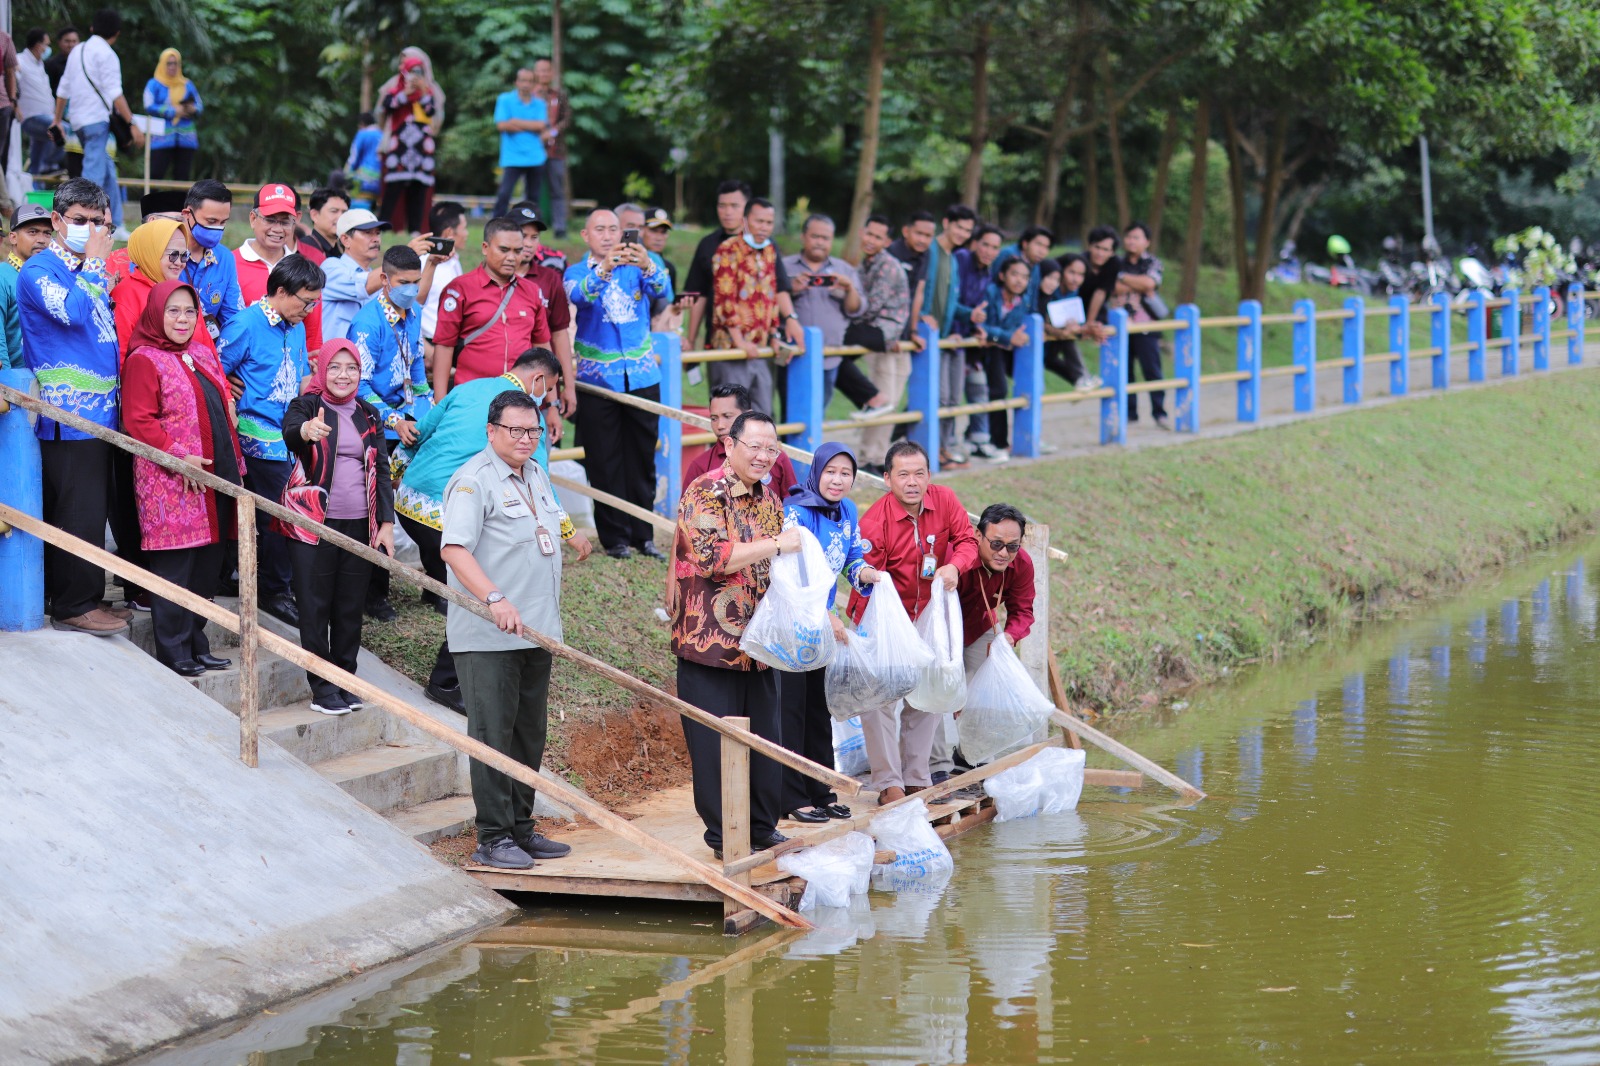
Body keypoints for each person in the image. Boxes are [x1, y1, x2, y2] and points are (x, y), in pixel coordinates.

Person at [395, 348, 586, 712]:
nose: (550, 398)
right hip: (448, 511)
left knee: (462, 583)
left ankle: (437, 597)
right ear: (539, 381)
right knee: (483, 590)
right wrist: (568, 531)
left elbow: (422, 430)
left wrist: (393, 475)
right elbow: (540, 481)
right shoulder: (527, 420)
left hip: (409, 501)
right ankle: (447, 683)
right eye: (552, 389)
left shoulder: (469, 387)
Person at [441, 389, 579, 870]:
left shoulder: (536, 472)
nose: (526, 438)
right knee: (492, 734)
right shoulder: (472, 482)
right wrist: (494, 599)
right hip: (488, 636)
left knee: (528, 734)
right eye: (516, 430)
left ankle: (521, 826)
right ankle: (493, 835)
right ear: (491, 431)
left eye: (533, 430)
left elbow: (545, 529)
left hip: (537, 631)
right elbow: (455, 550)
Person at [671, 411, 799, 859]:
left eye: (772, 449)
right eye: (755, 447)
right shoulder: (706, 491)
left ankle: (763, 828)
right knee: (713, 746)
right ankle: (724, 837)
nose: (764, 456)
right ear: (729, 445)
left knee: (765, 740)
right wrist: (778, 544)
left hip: (761, 644)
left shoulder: (770, 499)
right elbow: (712, 558)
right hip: (710, 643)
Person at [17, 178, 126, 635]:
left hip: (105, 415)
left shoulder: (90, 269)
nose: (90, 229)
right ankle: (71, 605)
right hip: (68, 416)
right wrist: (98, 265)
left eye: (98, 221)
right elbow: (73, 314)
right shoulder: (40, 270)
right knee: (76, 513)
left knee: (93, 512)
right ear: (58, 221)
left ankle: (88, 597)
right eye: (80, 221)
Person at [120, 281, 243, 675]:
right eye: (173, 310)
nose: (182, 319)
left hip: (213, 477)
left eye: (189, 311)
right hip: (171, 481)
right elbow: (138, 420)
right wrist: (178, 457)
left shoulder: (202, 352)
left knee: (208, 567)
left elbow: (222, 404)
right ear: (156, 313)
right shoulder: (144, 359)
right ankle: (174, 652)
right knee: (176, 568)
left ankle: (197, 641)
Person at [846, 439, 978, 802]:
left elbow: (968, 540)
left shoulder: (946, 500)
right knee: (880, 700)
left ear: (929, 476)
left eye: (919, 473)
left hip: (928, 616)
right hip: (884, 617)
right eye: (903, 474)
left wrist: (955, 565)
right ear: (887, 478)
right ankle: (888, 782)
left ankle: (917, 777)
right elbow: (866, 576)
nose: (912, 482)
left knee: (927, 692)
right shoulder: (876, 520)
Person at [279, 340, 395, 715]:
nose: (343, 375)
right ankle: (322, 686)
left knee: (348, 607)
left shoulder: (369, 413)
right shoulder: (308, 406)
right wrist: (307, 431)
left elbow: (382, 470)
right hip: (313, 522)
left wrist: (386, 524)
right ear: (322, 370)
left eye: (351, 368)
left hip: (360, 524)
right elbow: (291, 432)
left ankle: (345, 679)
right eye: (335, 367)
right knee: (314, 605)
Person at [218, 255, 325, 625]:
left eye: (314, 303)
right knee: (280, 512)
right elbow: (216, 370)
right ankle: (273, 590)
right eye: (305, 301)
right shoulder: (245, 324)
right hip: (255, 433)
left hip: (288, 432)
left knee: (286, 508)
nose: (310, 310)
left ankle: (276, 582)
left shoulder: (294, 324)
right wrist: (230, 389)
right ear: (281, 291)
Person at [779, 442, 883, 822]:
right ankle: (790, 798)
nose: (838, 481)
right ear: (817, 472)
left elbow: (852, 557)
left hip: (821, 631)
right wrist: (827, 614)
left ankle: (819, 790)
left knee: (817, 711)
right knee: (790, 712)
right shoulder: (796, 512)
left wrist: (866, 574)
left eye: (846, 474)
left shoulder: (847, 511)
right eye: (831, 472)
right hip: (791, 627)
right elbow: (796, 573)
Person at [564, 207, 671, 559]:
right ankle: (615, 539)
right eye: (600, 229)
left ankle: (645, 535)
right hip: (598, 381)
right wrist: (605, 266)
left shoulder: (644, 263)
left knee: (643, 458)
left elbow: (664, 291)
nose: (609, 235)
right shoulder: (577, 271)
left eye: (614, 228)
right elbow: (580, 296)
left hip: (642, 375)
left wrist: (647, 265)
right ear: (586, 235)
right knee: (604, 460)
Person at [432, 216, 553, 398]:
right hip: (471, 398)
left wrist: (552, 404)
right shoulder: (460, 289)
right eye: (504, 250)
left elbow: (542, 347)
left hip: (520, 400)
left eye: (517, 251)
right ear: (485, 248)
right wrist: (440, 403)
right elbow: (444, 348)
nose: (511, 257)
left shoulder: (532, 291)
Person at [51, 9, 143, 237]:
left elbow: (63, 89)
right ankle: (84, 225)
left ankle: (117, 224)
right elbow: (115, 93)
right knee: (93, 176)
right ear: (117, 34)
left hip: (79, 122)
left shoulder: (77, 51)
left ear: (92, 29)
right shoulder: (107, 54)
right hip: (96, 122)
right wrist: (132, 122)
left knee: (107, 169)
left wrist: (57, 120)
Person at [710, 197, 801, 418]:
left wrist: (773, 335)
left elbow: (770, 297)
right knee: (731, 418)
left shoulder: (769, 250)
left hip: (760, 348)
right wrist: (740, 341)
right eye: (759, 221)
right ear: (745, 220)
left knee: (762, 417)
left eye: (769, 223)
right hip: (732, 348)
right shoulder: (728, 249)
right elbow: (724, 299)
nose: (764, 227)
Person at [233, 183, 327, 358]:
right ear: (253, 218)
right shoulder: (229, 264)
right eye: (269, 220)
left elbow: (313, 336)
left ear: (295, 222)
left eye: (285, 222)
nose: (277, 229)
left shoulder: (306, 270)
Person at [782, 213, 867, 407]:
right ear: (803, 237)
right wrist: (791, 288)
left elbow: (857, 309)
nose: (820, 242)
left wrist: (849, 289)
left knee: (819, 412)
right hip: (792, 355)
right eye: (815, 236)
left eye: (825, 238)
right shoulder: (784, 266)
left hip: (829, 356)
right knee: (792, 410)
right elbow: (770, 303)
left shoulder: (844, 269)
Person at [915, 204, 977, 466]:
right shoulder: (930, 251)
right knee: (935, 397)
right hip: (925, 336)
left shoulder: (953, 258)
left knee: (950, 397)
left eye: (968, 230)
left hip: (944, 336)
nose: (963, 233)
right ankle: (933, 451)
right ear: (946, 223)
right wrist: (920, 317)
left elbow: (949, 302)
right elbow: (918, 291)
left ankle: (943, 448)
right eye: (959, 227)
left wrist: (971, 316)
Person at [852, 214, 912, 475]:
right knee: (885, 399)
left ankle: (873, 458)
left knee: (886, 399)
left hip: (884, 334)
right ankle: (871, 456)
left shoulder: (887, 267)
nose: (871, 240)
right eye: (869, 234)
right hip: (882, 334)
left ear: (887, 241)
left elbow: (870, 307)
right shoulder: (864, 265)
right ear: (862, 233)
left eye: (878, 237)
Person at [963, 255, 1033, 463]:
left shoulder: (1023, 301)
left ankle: (995, 441)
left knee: (998, 390)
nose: (1019, 280)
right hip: (972, 348)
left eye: (1025, 276)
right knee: (962, 394)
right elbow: (983, 328)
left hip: (995, 350)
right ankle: (992, 441)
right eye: (1014, 274)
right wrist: (1004, 337)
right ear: (1002, 275)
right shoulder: (990, 293)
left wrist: (1002, 336)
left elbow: (1011, 330)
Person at [508, 202, 577, 411]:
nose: (528, 243)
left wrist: (569, 387)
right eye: (523, 235)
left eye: (534, 237)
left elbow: (559, 335)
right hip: (500, 381)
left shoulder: (550, 279)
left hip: (541, 388)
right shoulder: (488, 278)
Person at [681, 382, 797, 497]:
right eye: (714, 418)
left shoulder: (775, 458)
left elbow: (793, 506)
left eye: (727, 416)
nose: (720, 425)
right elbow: (687, 511)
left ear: (748, 415)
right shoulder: (701, 465)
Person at [1109, 221, 1168, 429]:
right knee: (1125, 372)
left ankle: (1160, 413)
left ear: (1147, 242)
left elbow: (1150, 284)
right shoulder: (1115, 261)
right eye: (1129, 237)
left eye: (1136, 237)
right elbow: (1111, 287)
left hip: (1146, 325)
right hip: (1120, 326)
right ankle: (1129, 414)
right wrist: (1136, 282)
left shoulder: (1153, 262)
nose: (1131, 241)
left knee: (1152, 370)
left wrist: (1123, 278)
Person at [683, 179, 752, 348]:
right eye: (722, 205)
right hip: (718, 339)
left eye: (734, 206)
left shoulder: (762, 245)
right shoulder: (708, 245)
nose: (727, 212)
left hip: (758, 340)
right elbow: (699, 295)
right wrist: (691, 340)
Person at [377, 53, 439, 234]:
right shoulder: (395, 90)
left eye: (418, 71)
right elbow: (387, 107)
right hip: (400, 145)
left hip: (421, 147)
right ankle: (384, 226)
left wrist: (421, 92)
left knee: (418, 188)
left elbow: (430, 111)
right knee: (393, 187)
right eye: (411, 71)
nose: (415, 75)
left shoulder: (427, 92)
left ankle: (415, 229)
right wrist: (406, 94)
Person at [179, 179, 245, 345]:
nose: (217, 229)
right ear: (187, 215)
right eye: (211, 221)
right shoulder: (164, 253)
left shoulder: (224, 258)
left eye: (223, 223)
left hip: (209, 353)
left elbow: (233, 318)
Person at [112, 217, 188, 356]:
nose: (179, 262)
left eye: (184, 256)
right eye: (173, 255)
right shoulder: (127, 294)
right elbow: (121, 358)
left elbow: (205, 346)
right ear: (150, 252)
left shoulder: (182, 290)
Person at [0, 204, 54, 369]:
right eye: (32, 232)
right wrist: (6, 384)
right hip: (16, 381)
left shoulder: (50, 277)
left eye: (47, 233)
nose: (41, 239)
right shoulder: (3, 276)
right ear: (13, 238)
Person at [419, 199, 467, 377]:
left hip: (453, 344)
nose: (467, 233)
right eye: (464, 228)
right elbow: (411, 308)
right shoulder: (423, 262)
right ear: (449, 233)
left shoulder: (454, 262)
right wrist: (427, 350)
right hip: (430, 347)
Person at [493, 68, 547, 219]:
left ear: (534, 84)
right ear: (516, 82)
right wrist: (531, 126)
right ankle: (495, 225)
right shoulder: (505, 99)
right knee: (504, 194)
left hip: (535, 156)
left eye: (530, 81)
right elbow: (502, 125)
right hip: (512, 157)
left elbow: (541, 126)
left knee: (533, 197)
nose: (526, 84)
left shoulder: (540, 103)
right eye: (523, 80)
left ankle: (532, 228)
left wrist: (515, 121)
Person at [1042, 252, 1100, 390]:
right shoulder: (1048, 287)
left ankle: (1081, 378)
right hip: (1040, 340)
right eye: (1071, 272)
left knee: (1065, 340)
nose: (1076, 279)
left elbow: (1070, 319)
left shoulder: (1072, 292)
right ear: (1060, 271)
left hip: (1053, 342)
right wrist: (1063, 330)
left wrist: (1077, 328)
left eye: (1081, 275)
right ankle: (1081, 377)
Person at [142, 48, 201, 180]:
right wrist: (173, 111)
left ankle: (180, 202)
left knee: (182, 177)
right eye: (169, 63)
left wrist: (191, 109)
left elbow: (199, 106)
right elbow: (148, 105)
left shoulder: (187, 84)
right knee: (156, 174)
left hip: (186, 137)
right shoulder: (154, 84)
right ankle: (152, 201)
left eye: (176, 63)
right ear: (162, 64)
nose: (173, 67)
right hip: (161, 137)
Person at [531, 57, 570, 237]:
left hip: (556, 151)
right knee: (532, 189)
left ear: (552, 73)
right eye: (540, 70)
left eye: (547, 70)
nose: (543, 74)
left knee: (557, 189)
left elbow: (566, 119)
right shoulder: (528, 95)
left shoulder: (559, 95)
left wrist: (552, 132)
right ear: (534, 72)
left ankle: (560, 228)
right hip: (531, 150)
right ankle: (531, 225)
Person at [887, 211, 936, 342]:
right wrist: (890, 334)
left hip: (905, 327)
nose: (922, 240)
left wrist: (913, 330)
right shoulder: (891, 252)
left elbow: (919, 293)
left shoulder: (926, 254)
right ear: (905, 231)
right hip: (886, 329)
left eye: (928, 236)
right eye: (919, 234)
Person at [19, 29, 62, 176]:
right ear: (38, 45)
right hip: (32, 117)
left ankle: (34, 186)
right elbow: (12, 81)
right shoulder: (20, 61)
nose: (48, 48)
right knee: (62, 130)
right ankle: (50, 164)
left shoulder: (39, 65)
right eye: (46, 44)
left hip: (45, 115)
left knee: (36, 156)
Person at [345, 112, 382, 210]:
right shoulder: (381, 134)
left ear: (362, 123)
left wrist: (346, 174)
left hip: (364, 176)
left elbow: (354, 156)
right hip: (380, 178)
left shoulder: (362, 134)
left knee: (358, 207)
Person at [303, 187, 349, 259]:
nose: (341, 217)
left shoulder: (343, 249)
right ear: (314, 215)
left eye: (344, 212)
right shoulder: (303, 250)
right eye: (334, 211)